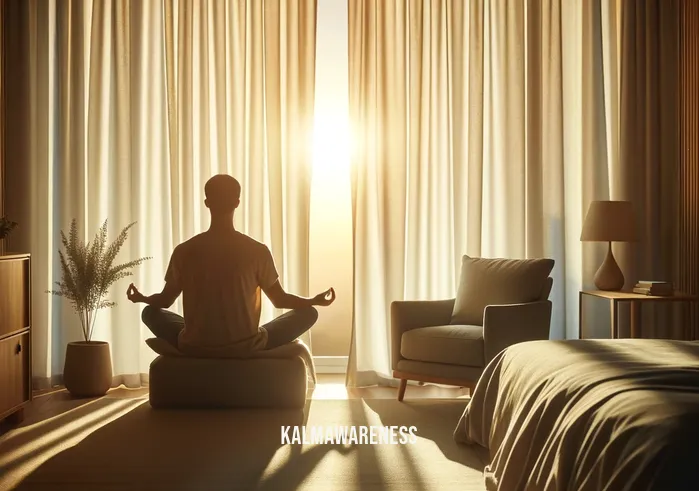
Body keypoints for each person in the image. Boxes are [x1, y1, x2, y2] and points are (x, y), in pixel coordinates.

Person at [126, 174, 336, 357]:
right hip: (245, 346)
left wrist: (141, 298)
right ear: (237, 202)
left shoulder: (185, 250)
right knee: (309, 313)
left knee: (149, 313)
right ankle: (248, 336)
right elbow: (280, 300)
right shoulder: (257, 250)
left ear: (207, 202)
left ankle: (199, 339)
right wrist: (313, 300)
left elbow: (164, 300)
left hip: (195, 346)